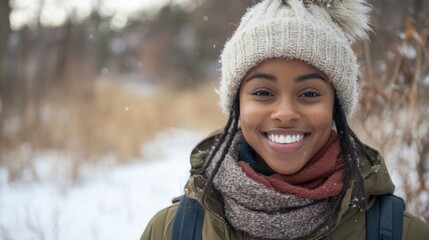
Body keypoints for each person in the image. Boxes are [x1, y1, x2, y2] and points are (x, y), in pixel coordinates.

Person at [141, 0, 429, 239]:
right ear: (237, 103)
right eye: (264, 92)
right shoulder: (172, 231)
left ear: (336, 106)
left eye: (310, 93)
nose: (285, 113)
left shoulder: (400, 232)